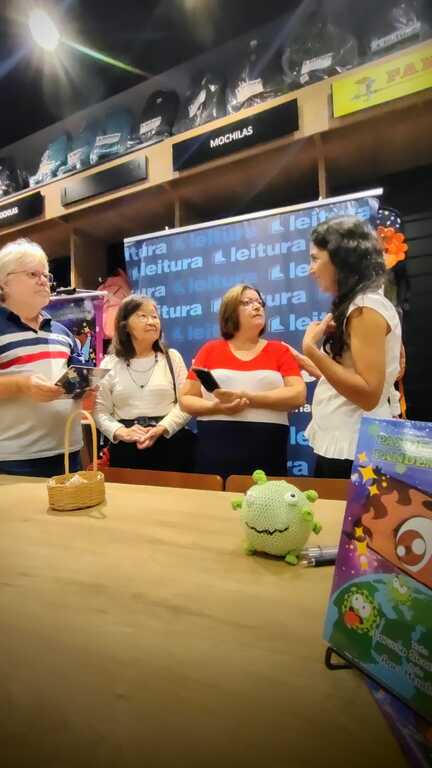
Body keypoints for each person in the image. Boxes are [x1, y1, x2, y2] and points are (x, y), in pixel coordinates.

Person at [302, 216, 402, 479]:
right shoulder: (360, 305)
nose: (310, 269)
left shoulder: (366, 307)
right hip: (344, 444)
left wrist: (311, 350)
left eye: (315, 258)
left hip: (354, 449)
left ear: (340, 259)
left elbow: (368, 394)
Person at [180, 284, 306, 479]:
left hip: (267, 449)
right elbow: (186, 399)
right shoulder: (210, 350)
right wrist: (219, 408)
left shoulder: (279, 350)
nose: (257, 307)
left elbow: (298, 395)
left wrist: (249, 398)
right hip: (215, 449)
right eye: (247, 302)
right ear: (230, 312)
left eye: (259, 302)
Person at [0, 238, 84, 477]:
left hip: (69, 453)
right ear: (4, 282)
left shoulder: (63, 333)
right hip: (14, 460)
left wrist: (85, 386)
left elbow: (76, 379)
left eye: (46, 275)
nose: (44, 281)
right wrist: (20, 384)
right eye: (33, 273)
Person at [94, 295, 193, 471]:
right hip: (126, 448)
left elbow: (186, 403)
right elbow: (100, 411)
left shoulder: (172, 358)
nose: (151, 321)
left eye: (155, 316)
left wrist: (162, 427)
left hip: (170, 444)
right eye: (143, 316)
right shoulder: (109, 363)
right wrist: (121, 432)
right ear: (125, 325)